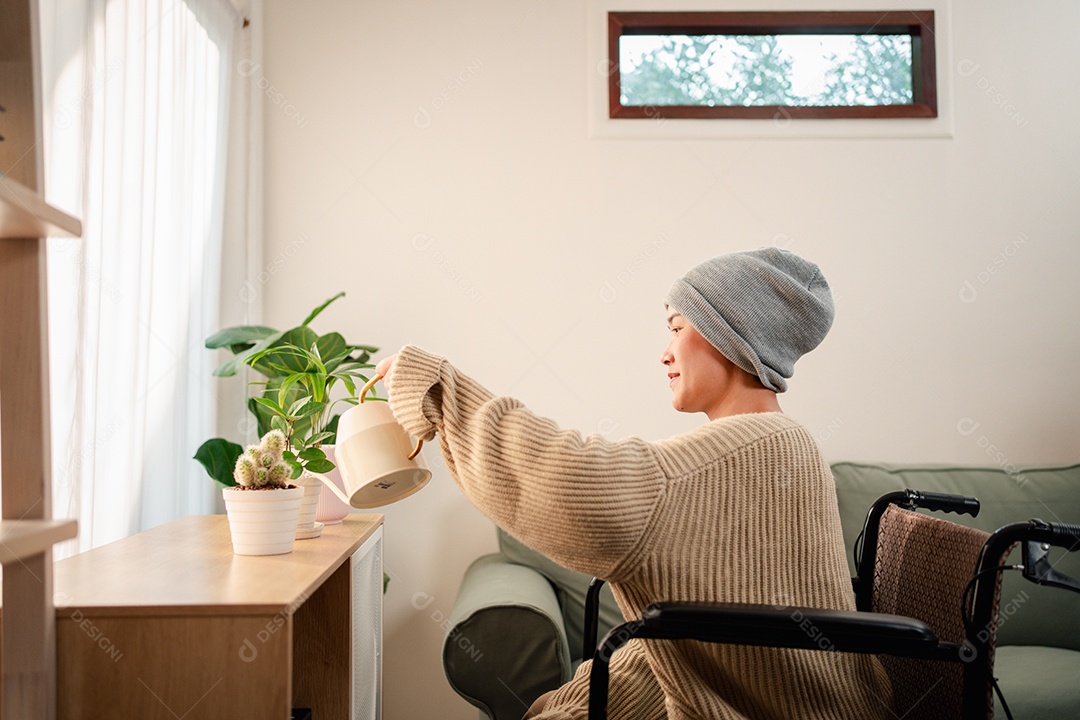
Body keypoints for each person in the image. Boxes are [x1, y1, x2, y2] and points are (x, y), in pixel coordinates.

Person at [375, 248, 893, 719]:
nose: (665, 353)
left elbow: (576, 483)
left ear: (729, 335)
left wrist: (440, 387)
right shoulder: (780, 442)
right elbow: (692, 642)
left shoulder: (754, 448)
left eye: (677, 327)